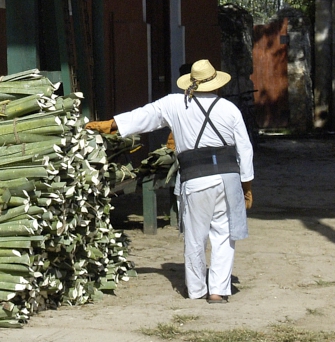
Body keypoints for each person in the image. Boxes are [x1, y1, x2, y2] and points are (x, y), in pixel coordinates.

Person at [86, 58, 254, 303]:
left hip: (196, 180)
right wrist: (246, 187)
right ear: (217, 85)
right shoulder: (230, 109)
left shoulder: (175, 103)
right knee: (223, 235)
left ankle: (196, 290)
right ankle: (218, 291)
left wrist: (110, 125)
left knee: (196, 237)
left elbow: (143, 116)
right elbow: (245, 150)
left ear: (191, 84)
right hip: (228, 179)